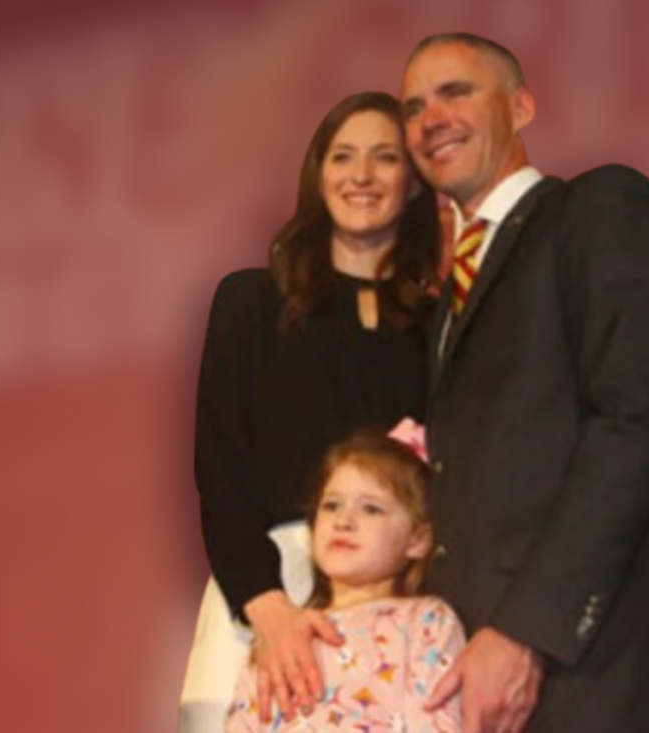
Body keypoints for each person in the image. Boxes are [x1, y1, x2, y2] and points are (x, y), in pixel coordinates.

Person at [398, 34, 649, 732]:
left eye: (455, 92)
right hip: (473, 681)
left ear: (521, 107)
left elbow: (631, 424)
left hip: (585, 674)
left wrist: (523, 633)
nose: (430, 119)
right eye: (412, 107)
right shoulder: (447, 294)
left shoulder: (598, 208)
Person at [178, 91, 441, 732]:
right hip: (263, 595)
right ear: (318, 175)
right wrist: (266, 607)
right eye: (343, 156)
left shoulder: (439, 327)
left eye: (385, 158)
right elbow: (221, 465)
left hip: (396, 611)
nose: (361, 176)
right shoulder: (251, 303)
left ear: (413, 182)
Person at [225, 429, 465, 733]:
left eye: (371, 509)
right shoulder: (282, 639)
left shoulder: (427, 621)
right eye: (331, 506)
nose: (343, 520)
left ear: (417, 540)